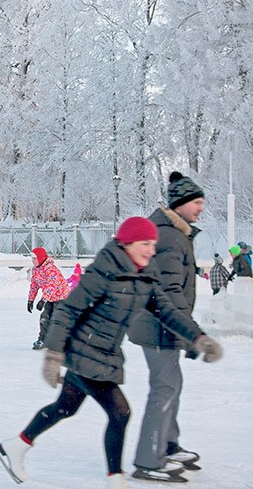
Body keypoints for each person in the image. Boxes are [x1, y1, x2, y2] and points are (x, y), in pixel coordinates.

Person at [0, 217, 223, 488]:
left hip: (106, 354)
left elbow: (168, 312)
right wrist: (54, 353)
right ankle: (116, 480)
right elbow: (68, 310)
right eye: (145, 244)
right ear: (128, 243)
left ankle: (16, 445)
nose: (151, 250)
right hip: (85, 351)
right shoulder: (104, 271)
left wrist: (198, 338)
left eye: (153, 244)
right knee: (120, 413)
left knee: (65, 408)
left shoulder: (145, 276)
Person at [129, 172, 213, 482]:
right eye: (196, 202)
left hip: (163, 324)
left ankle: (168, 443)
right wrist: (191, 332)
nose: (200, 208)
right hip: (159, 325)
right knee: (164, 388)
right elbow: (168, 291)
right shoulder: (170, 236)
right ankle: (149, 458)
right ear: (180, 204)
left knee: (171, 385)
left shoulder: (174, 232)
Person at [27, 247, 71, 351]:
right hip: (50, 298)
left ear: (41, 258)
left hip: (62, 297)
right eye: (32, 258)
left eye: (34, 258)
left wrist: (43, 300)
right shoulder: (35, 270)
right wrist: (30, 300)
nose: (32, 260)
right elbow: (34, 285)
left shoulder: (51, 269)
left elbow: (51, 286)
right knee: (45, 318)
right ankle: (43, 340)